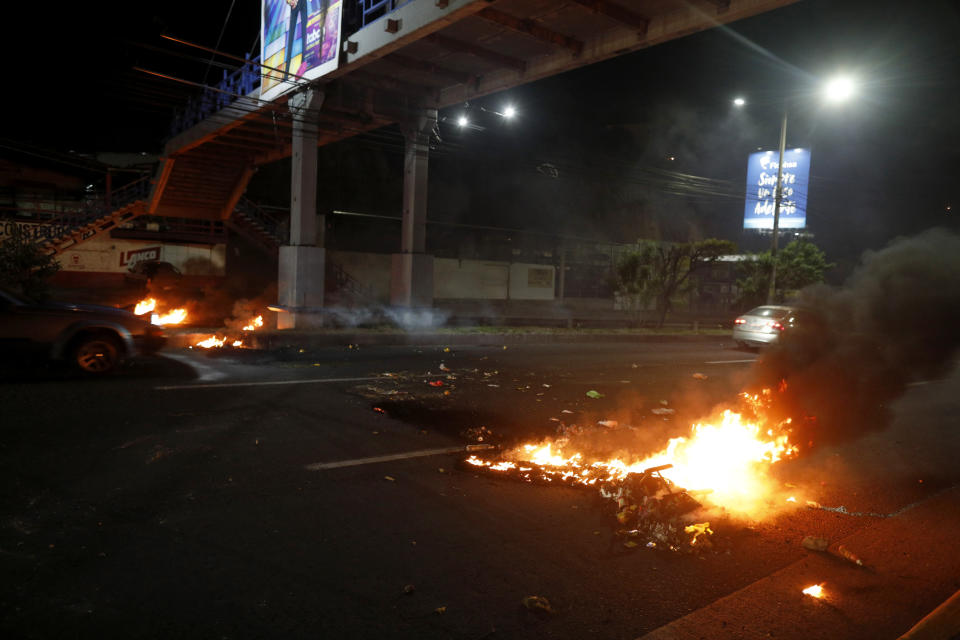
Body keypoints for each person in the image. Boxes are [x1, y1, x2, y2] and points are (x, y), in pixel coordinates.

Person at [282, 0, 309, 81]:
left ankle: (303, 63)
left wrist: (291, 2)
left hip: (299, 2)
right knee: (292, 37)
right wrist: (290, 2)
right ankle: (286, 74)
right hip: (296, 3)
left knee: (304, 32)